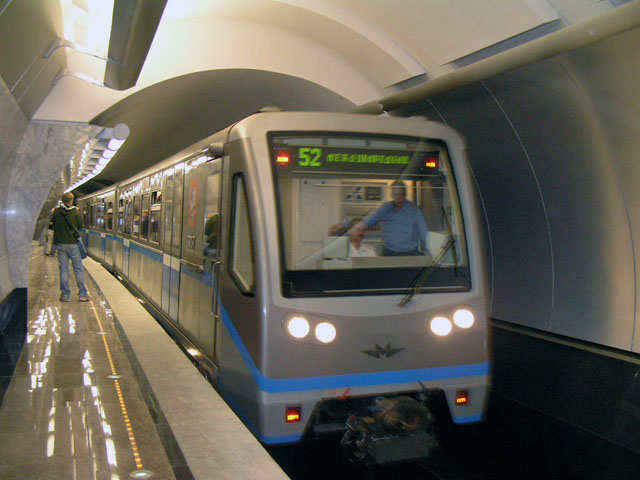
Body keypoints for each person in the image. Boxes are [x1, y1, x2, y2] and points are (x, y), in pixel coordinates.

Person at [351, 180, 428, 256]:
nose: (399, 197)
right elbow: (367, 221)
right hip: (390, 252)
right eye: (396, 194)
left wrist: (429, 251)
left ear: (405, 194)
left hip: (410, 252)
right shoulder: (385, 208)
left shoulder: (414, 210)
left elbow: (423, 231)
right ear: (392, 195)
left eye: (401, 194)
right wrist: (350, 230)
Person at [51, 192, 90, 302]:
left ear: (63, 200)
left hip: (61, 244)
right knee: (78, 269)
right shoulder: (75, 212)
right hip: (73, 244)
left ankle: (65, 295)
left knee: (64, 269)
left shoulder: (56, 212)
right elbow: (79, 226)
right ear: (72, 200)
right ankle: (82, 294)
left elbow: (54, 225)